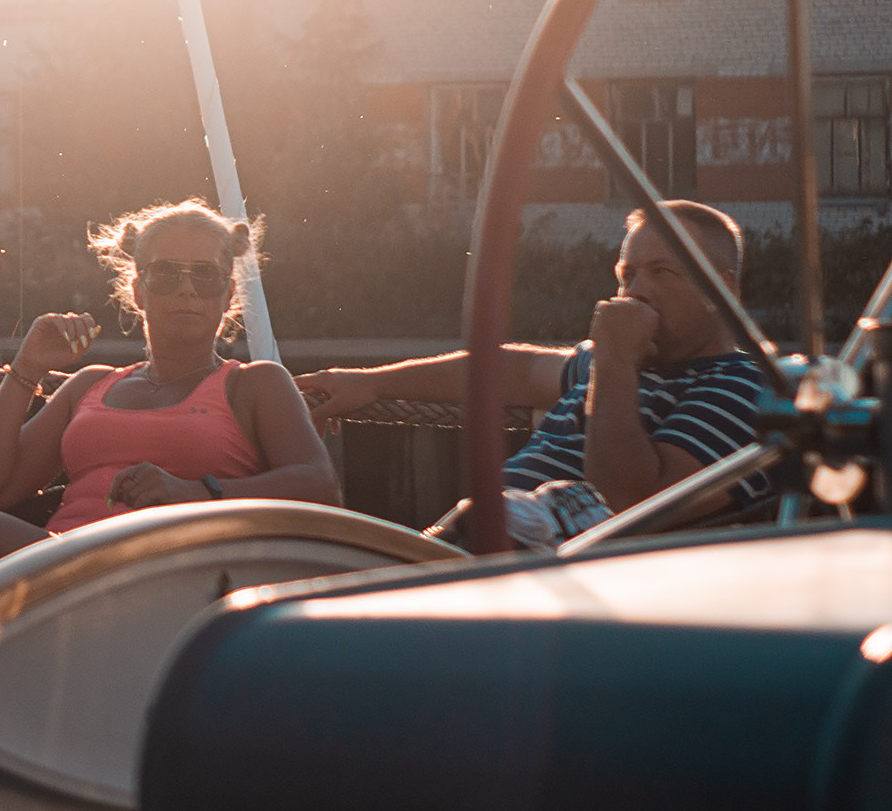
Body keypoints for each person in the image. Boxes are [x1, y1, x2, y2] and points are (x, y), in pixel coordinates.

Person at [0, 200, 339, 639]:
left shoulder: (255, 384)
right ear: (139, 290)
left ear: (228, 293)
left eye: (205, 276)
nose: (187, 290)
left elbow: (319, 485)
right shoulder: (91, 384)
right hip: (64, 560)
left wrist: (198, 493)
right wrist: (26, 371)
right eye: (167, 274)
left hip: (167, 576)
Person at [299, 200, 769, 549]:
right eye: (627, 275)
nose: (636, 291)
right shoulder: (613, 364)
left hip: (552, 581)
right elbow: (516, 370)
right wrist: (370, 382)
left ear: (720, 288)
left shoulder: (742, 388)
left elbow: (631, 504)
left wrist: (615, 363)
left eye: (662, 272)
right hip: (477, 549)